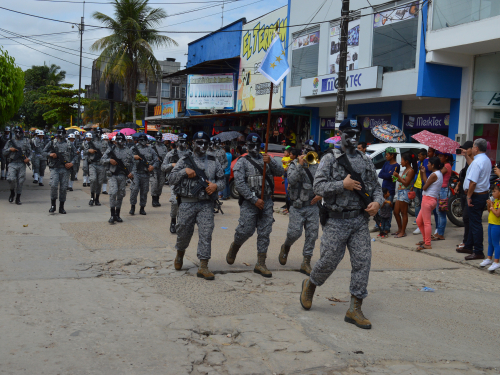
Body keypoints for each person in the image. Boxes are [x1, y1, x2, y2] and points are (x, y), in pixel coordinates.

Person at [299, 118, 383, 330]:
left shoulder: (365, 160)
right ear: (341, 134)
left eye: (357, 134)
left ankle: (354, 308)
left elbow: (376, 188)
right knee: (329, 261)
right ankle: (310, 284)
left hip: (359, 220)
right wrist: (341, 185)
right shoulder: (330, 159)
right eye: (349, 134)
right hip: (336, 220)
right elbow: (318, 187)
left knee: (363, 261)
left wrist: (377, 203)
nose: (354, 138)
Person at [226, 133, 285, 278]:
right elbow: (239, 184)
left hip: (266, 201)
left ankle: (261, 263)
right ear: (246, 145)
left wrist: (270, 161)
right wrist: (253, 199)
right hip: (249, 203)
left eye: (257, 145)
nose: (254, 148)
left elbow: (281, 172)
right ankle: (235, 246)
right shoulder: (242, 162)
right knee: (245, 231)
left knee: (264, 233)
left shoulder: (266, 159)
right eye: (251, 145)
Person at [168, 131, 225, 280]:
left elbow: (222, 181)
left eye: (205, 143)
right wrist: (183, 172)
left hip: (206, 204)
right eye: (199, 142)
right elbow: (171, 178)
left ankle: (203, 266)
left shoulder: (214, 161)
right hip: (187, 203)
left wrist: (215, 186)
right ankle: (180, 253)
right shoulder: (185, 160)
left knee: (206, 233)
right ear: (193, 144)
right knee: (184, 233)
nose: (202, 146)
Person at [279, 140, 322, 276]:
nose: (307, 154)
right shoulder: (294, 164)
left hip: (312, 206)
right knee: (294, 233)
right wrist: (300, 165)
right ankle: (286, 246)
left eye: (311, 152)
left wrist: (321, 194)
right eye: (305, 151)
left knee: (312, 234)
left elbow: (323, 183)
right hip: (297, 206)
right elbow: (291, 180)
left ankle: (306, 262)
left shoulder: (318, 167)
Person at [462, 138, 491, 260]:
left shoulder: (477, 162)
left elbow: (473, 183)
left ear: (476, 148)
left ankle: (478, 251)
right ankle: (468, 245)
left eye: (473, 146)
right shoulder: (486, 160)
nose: (472, 148)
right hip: (482, 194)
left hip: (476, 195)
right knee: (472, 220)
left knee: (475, 224)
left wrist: (469, 196)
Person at [43, 125, 77, 214]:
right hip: (55, 168)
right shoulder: (52, 143)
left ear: (65, 133)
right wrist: (50, 155)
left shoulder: (69, 144)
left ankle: (61, 207)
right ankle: (53, 205)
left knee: (63, 188)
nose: (60, 134)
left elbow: (76, 155)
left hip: (65, 169)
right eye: (58, 132)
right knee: (54, 185)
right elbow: (43, 152)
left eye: (62, 132)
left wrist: (72, 163)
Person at [101, 133, 134, 224]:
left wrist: (132, 173)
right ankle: (112, 215)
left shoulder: (128, 150)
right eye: (118, 140)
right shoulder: (111, 149)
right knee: (113, 192)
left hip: (123, 176)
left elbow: (133, 163)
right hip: (112, 175)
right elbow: (102, 160)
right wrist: (109, 160)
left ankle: (117, 214)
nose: (120, 142)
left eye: (122, 140)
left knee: (120, 194)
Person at [162, 133, 191, 233]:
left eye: (184, 141)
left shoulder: (190, 154)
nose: (182, 143)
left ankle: (182, 222)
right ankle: (173, 221)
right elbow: (163, 167)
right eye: (181, 141)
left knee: (185, 203)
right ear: (178, 141)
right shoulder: (171, 153)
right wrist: (172, 165)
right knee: (175, 201)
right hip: (174, 181)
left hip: (187, 181)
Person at [416, 156, 443, 251]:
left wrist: (423, 183)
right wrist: (423, 172)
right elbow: (426, 182)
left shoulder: (434, 175)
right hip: (431, 199)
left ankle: (427, 243)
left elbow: (424, 187)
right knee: (419, 221)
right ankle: (425, 240)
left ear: (433, 165)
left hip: (427, 199)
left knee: (426, 223)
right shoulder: (437, 174)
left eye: (428, 164)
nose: (427, 165)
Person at [130, 133, 158, 215]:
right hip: (136, 173)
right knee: (134, 190)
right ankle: (132, 207)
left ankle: (142, 208)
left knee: (144, 191)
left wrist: (153, 167)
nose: (143, 142)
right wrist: (133, 157)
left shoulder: (150, 149)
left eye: (144, 140)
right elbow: (126, 157)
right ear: (138, 140)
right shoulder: (133, 148)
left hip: (145, 174)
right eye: (141, 140)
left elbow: (156, 160)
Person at [373, 147, 399, 232]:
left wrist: (388, 175)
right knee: (381, 207)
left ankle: (387, 227)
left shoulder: (396, 166)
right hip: (383, 189)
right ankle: (379, 225)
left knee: (388, 209)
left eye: (387, 155)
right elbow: (380, 174)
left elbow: (392, 177)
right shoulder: (386, 164)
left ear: (392, 155)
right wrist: (388, 175)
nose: (386, 156)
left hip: (390, 190)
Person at [3, 126, 31, 205]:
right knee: (11, 179)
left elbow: (31, 152)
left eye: (19, 132)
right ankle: (12, 192)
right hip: (12, 163)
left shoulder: (25, 141)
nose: (18, 134)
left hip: (22, 163)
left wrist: (28, 159)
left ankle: (18, 198)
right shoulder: (10, 142)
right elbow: (4, 152)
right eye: (16, 132)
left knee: (21, 181)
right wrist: (9, 149)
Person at [392, 152, 417, 238]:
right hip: (400, 192)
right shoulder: (406, 170)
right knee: (395, 212)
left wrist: (398, 176)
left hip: (405, 192)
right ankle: (400, 229)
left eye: (402, 160)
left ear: (406, 161)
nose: (400, 162)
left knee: (404, 213)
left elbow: (406, 183)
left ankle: (403, 231)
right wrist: (395, 177)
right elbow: (402, 181)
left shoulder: (411, 171)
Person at [455, 141, 474, 252]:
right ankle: (466, 241)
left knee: (468, 219)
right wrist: (458, 184)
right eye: (462, 149)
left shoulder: (474, 162)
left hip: (469, 194)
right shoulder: (467, 162)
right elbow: (464, 176)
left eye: (465, 149)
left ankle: (467, 242)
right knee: (465, 218)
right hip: (463, 191)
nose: (463, 151)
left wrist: (469, 195)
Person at [430, 152, 453, 241]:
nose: (439, 157)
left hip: (443, 191)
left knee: (441, 213)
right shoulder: (445, 165)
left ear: (446, 157)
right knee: (438, 212)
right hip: (440, 190)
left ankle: (441, 233)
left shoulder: (447, 166)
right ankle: (439, 232)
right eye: (438, 156)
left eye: (440, 156)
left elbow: (438, 173)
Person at [84, 128, 107, 206]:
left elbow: (110, 152)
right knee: (93, 180)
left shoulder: (105, 143)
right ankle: (92, 198)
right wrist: (88, 151)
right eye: (97, 132)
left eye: (100, 132)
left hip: (101, 165)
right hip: (93, 164)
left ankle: (97, 199)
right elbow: (83, 151)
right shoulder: (90, 143)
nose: (99, 134)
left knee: (99, 182)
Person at [481, 183, 500, 272]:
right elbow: (490, 211)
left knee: (496, 243)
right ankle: (489, 258)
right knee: (490, 242)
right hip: (491, 223)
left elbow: (497, 214)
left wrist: (492, 207)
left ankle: (496, 261)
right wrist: (489, 205)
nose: (493, 193)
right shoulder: (496, 200)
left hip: (497, 225)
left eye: (494, 191)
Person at [150, 131, 168, 207]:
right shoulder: (151, 147)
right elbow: (148, 158)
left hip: (161, 168)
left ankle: (157, 199)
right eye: (157, 138)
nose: (158, 139)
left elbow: (167, 158)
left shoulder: (164, 147)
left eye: (159, 138)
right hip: (154, 168)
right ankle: (154, 200)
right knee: (154, 183)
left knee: (160, 184)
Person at [412, 149, 428, 235]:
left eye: (420, 156)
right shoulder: (418, 163)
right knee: (417, 204)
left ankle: (422, 223)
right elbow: (415, 173)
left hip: (422, 186)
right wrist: (412, 185)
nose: (419, 157)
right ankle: (418, 220)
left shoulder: (426, 162)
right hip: (416, 186)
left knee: (423, 205)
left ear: (424, 156)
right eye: (418, 156)